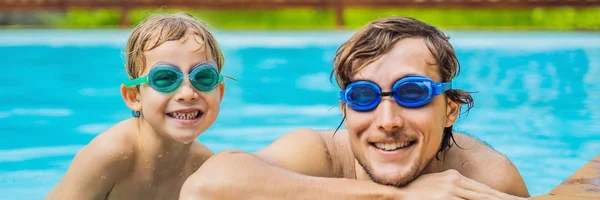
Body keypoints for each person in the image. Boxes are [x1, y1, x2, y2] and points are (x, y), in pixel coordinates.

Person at [179, 16, 530, 199]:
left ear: (450, 109)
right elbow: (203, 189)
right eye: (364, 97)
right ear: (346, 111)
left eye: (413, 93)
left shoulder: (484, 180)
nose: (388, 121)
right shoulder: (321, 157)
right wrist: (392, 197)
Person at [46, 12, 227, 199]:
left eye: (204, 77)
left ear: (220, 93)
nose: (188, 94)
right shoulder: (107, 155)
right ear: (134, 96)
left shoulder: (204, 168)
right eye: (164, 78)